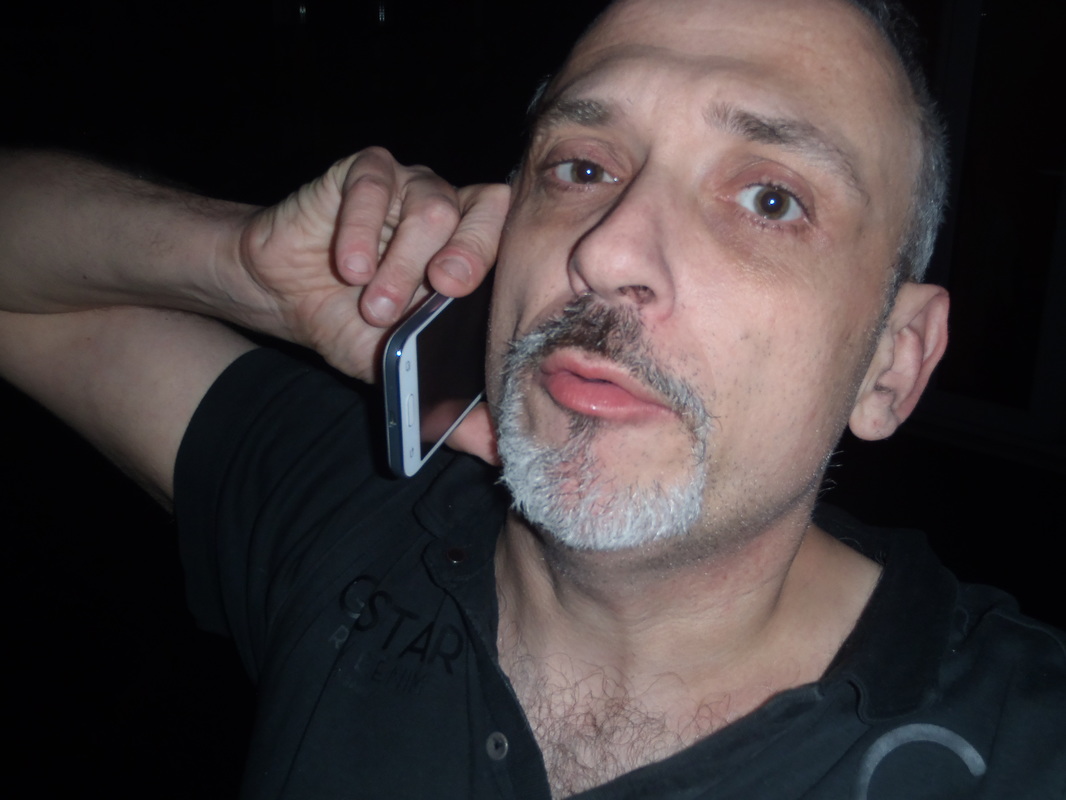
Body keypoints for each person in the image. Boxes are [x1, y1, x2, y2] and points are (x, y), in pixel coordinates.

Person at [1, 0, 1063, 797]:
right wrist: (243, 265)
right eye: (583, 168)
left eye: (769, 198)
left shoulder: (1028, 743)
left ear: (891, 362)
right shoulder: (350, 506)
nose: (608, 252)